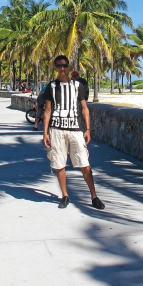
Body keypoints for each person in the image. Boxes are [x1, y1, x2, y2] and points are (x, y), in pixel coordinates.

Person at [43, 55, 105, 210]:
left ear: (69, 67)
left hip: (75, 129)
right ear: (55, 68)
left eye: (64, 65)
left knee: (84, 163)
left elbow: (84, 108)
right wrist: (45, 133)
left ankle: (94, 196)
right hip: (57, 129)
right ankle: (65, 195)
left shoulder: (78, 86)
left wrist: (88, 129)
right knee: (59, 163)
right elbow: (48, 111)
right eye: (59, 66)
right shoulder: (51, 87)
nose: (62, 68)